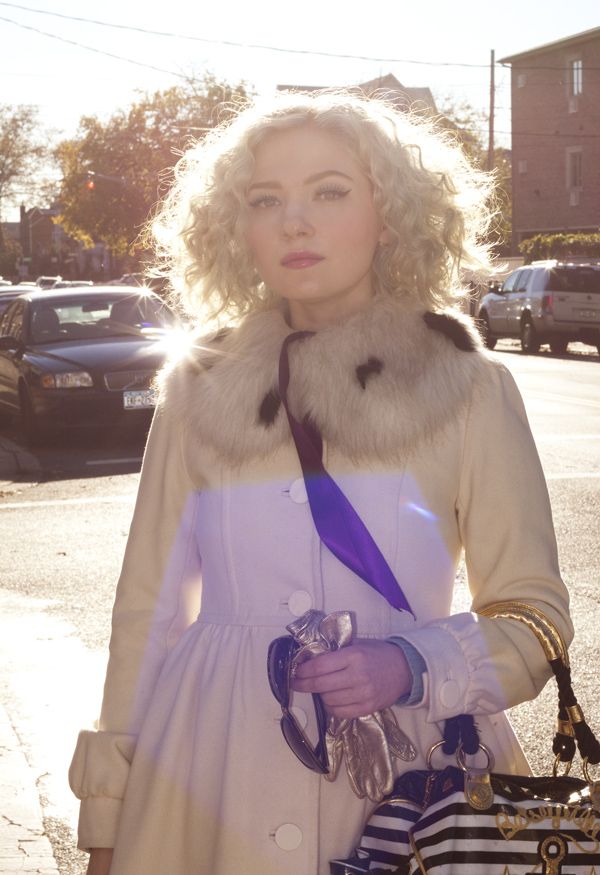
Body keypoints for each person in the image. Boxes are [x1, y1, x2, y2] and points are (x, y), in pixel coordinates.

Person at [69, 90, 572, 875]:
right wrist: (107, 818)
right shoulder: (198, 384)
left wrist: (410, 662)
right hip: (204, 775)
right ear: (237, 226)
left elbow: (536, 617)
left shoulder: (472, 387)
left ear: (391, 213)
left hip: (413, 780)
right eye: (264, 200)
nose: (293, 222)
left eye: (329, 192)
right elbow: (148, 613)